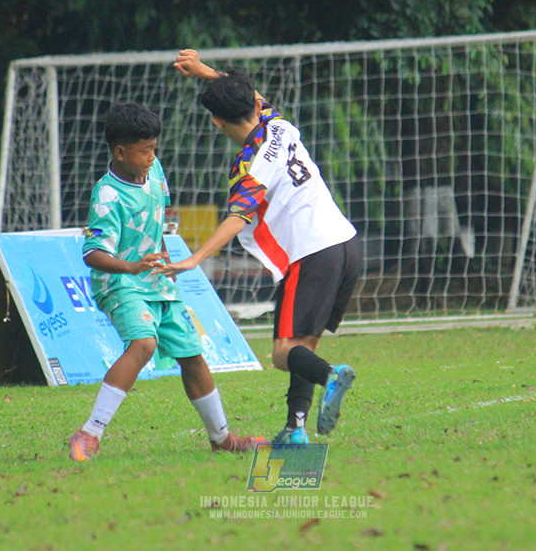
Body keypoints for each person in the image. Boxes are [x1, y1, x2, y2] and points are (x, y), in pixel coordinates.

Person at [156, 49, 363, 445]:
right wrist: (205, 72)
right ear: (254, 102)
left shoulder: (248, 166)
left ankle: (330, 376)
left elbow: (238, 217)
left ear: (216, 121)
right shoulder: (278, 124)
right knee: (304, 344)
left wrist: (195, 258)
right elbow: (245, 93)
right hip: (347, 244)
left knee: (284, 355)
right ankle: (295, 430)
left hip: (311, 251)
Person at [68, 101, 263, 460]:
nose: (152, 156)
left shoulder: (154, 170)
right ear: (121, 152)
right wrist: (132, 267)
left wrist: (165, 262)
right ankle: (88, 433)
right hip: (121, 283)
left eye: (154, 148)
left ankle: (222, 439)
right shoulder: (107, 195)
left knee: (192, 355)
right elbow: (92, 254)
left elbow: (156, 219)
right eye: (145, 150)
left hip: (158, 280)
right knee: (143, 344)